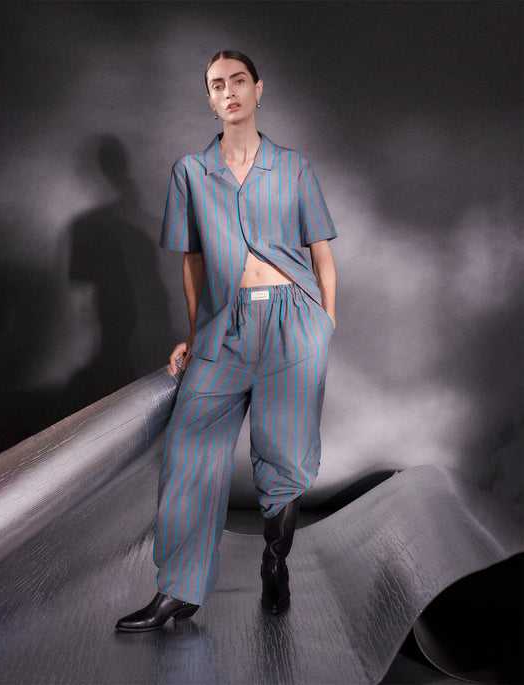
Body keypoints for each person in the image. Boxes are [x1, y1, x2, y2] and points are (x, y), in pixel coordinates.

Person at [116, 50, 337, 632]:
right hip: (224, 328)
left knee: (285, 456)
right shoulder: (191, 171)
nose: (229, 91)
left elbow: (321, 251)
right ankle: (177, 590)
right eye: (217, 85)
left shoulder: (293, 167)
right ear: (210, 99)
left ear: (259, 89)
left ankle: (275, 561)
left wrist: (325, 322)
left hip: (294, 322)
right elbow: (192, 261)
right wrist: (194, 336)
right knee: (189, 451)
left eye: (239, 80)